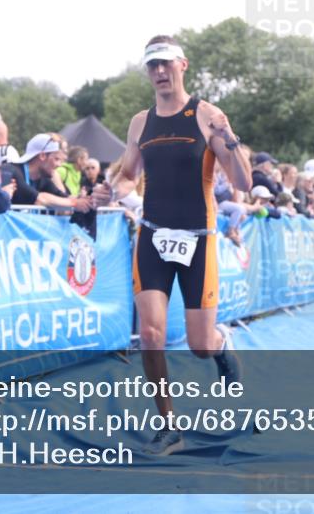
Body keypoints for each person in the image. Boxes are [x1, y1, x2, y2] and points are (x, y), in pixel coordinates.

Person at [103, 35, 251, 456]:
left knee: (199, 345)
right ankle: (168, 426)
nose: (160, 72)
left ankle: (221, 345)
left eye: (166, 63)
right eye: (152, 65)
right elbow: (129, 173)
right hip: (152, 234)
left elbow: (243, 183)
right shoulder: (139, 122)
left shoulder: (206, 116)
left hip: (197, 240)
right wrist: (115, 188)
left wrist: (229, 135)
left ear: (183, 65)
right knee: (150, 334)